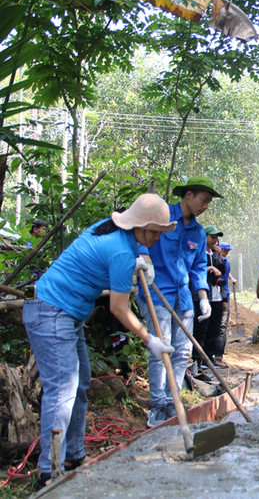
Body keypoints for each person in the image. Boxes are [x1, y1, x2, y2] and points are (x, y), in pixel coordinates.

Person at [23, 194, 176, 489]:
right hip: (50, 311)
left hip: (66, 314)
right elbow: (119, 308)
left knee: (79, 383)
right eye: (154, 231)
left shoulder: (112, 230)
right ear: (138, 224)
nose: (157, 237)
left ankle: (72, 456)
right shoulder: (120, 251)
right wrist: (150, 340)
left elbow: (108, 262)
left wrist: (139, 261)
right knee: (62, 389)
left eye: (160, 232)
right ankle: (49, 472)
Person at [136, 175, 220, 427]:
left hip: (183, 298)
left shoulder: (198, 232)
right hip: (156, 292)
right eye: (203, 200)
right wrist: (144, 258)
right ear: (188, 195)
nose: (205, 206)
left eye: (209, 202)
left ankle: (173, 400)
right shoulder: (161, 216)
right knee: (162, 348)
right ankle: (158, 404)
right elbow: (138, 237)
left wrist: (203, 297)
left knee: (182, 352)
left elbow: (198, 267)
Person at [194, 225, 226, 367]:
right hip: (203, 296)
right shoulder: (198, 252)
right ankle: (197, 359)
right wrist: (210, 268)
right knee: (201, 329)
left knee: (214, 328)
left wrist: (219, 257)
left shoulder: (213, 254)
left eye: (216, 238)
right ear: (204, 236)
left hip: (216, 296)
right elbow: (194, 269)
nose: (214, 240)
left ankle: (209, 357)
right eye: (212, 237)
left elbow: (222, 271)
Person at [218, 242, 236, 339]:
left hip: (219, 291)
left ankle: (224, 331)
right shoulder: (225, 262)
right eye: (227, 251)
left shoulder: (217, 261)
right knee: (225, 313)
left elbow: (225, 272)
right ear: (223, 251)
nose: (228, 253)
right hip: (224, 291)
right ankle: (225, 332)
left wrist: (231, 278)